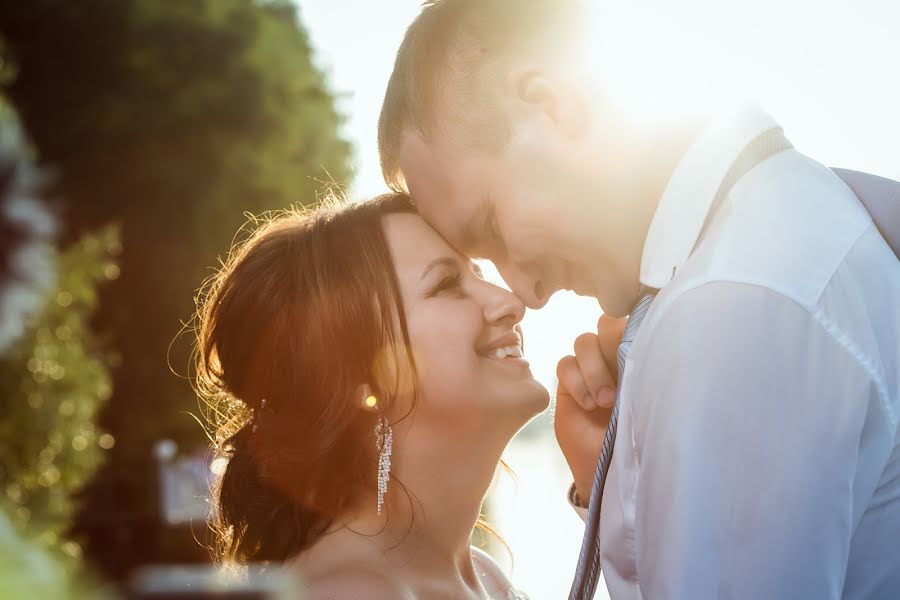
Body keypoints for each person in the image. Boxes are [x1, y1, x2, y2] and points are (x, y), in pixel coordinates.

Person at [378, 0, 900, 597]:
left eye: (492, 225)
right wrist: (621, 484)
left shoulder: (729, 310)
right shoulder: (791, 219)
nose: (526, 293)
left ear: (553, 105)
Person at [195, 193, 550, 599]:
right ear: (357, 379)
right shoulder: (348, 592)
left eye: (479, 273)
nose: (509, 302)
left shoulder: (482, 576)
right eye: (448, 285)